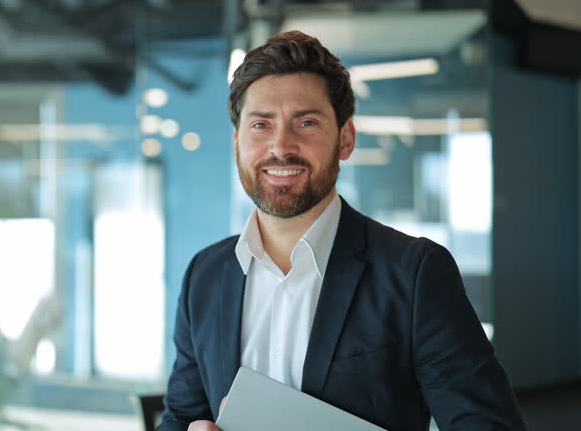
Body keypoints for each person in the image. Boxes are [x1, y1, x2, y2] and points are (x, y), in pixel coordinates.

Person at [157, 31, 525, 431]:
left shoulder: (414, 272)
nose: (280, 146)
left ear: (345, 139)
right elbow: (180, 417)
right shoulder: (205, 275)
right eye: (261, 124)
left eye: (307, 122)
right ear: (237, 142)